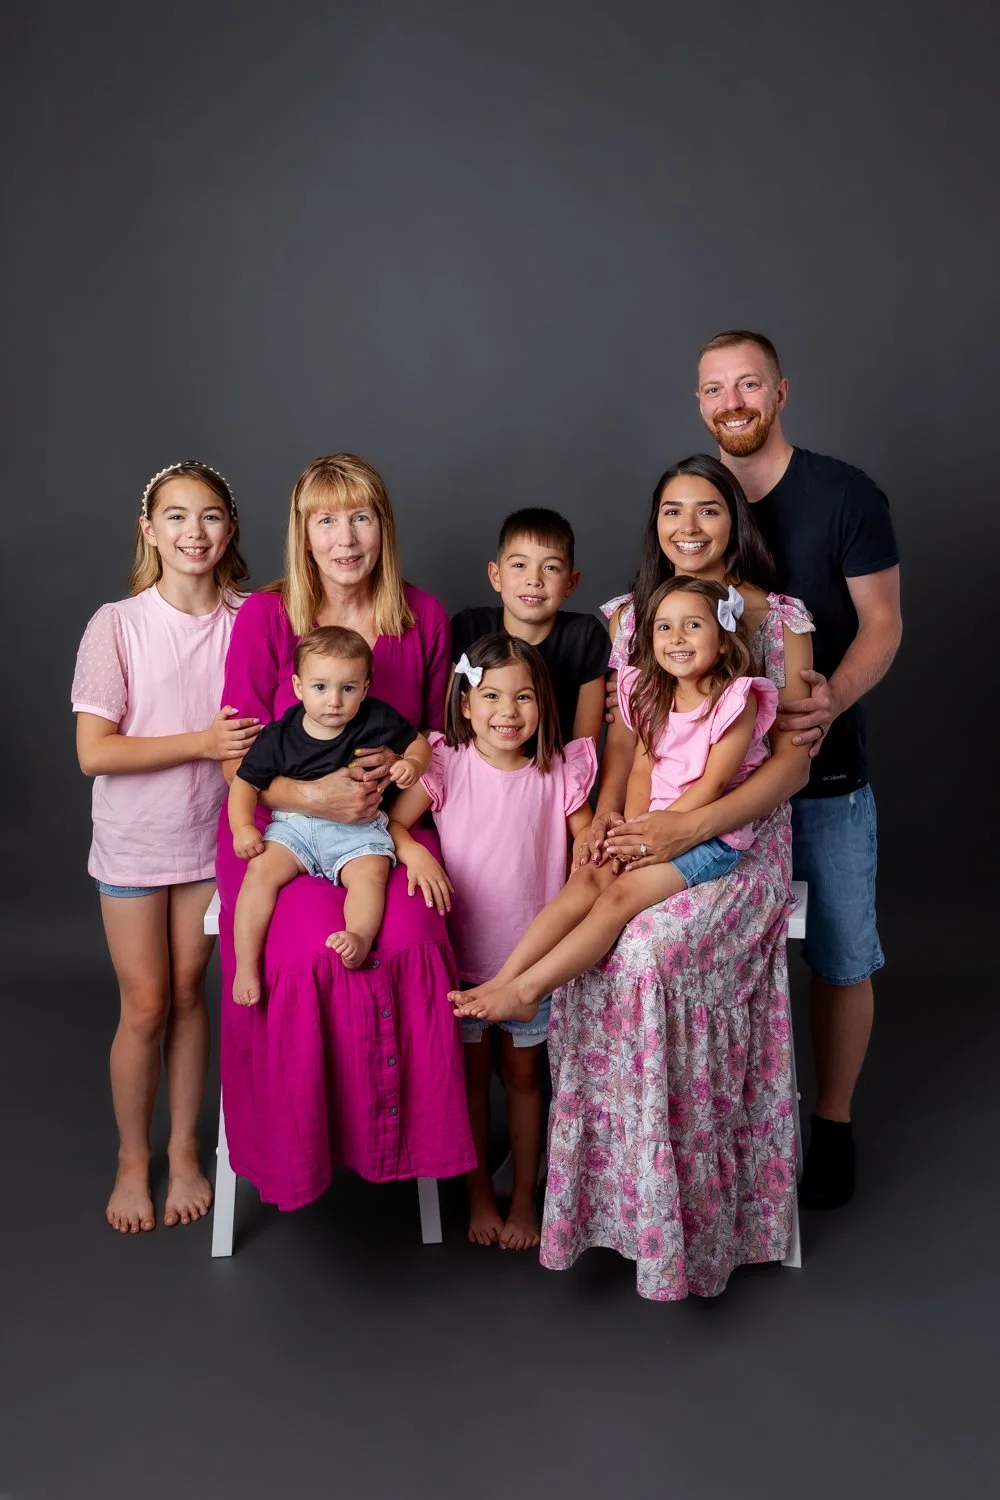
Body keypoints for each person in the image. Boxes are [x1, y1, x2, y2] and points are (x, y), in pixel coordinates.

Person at [543, 453, 814, 1300]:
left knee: (648, 952)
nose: (688, 528)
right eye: (671, 511)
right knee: (600, 942)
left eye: (707, 510)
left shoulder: (780, 619)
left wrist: (692, 825)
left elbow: (796, 765)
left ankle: (692, 1216)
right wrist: (623, 831)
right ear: (654, 522)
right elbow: (626, 745)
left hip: (740, 846)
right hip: (646, 824)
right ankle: (611, 1205)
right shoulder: (629, 618)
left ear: (735, 519)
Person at [215, 454, 475, 1211]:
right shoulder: (266, 617)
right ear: (303, 532)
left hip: (385, 832)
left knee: (415, 944)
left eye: (359, 516)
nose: (344, 537)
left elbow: (436, 737)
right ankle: (305, 1153)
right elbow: (242, 757)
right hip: (278, 830)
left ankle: (408, 1148)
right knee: (299, 964)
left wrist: (402, 830)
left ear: (382, 526)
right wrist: (315, 797)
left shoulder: (421, 616)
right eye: (326, 519)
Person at [695, 330, 902, 1208]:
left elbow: (883, 622)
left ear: (782, 392)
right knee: (702, 953)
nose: (732, 400)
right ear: (698, 403)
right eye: (715, 389)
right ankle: (712, 1123)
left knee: (842, 957)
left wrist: (831, 700)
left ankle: (833, 1121)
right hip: (713, 790)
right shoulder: (692, 500)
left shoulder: (844, 494)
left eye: (749, 384)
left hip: (822, 777)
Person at [453, 578, 778, 1021]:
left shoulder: (737, 700)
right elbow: (641, 769)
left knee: (616, 898)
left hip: (706, 836)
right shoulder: (649, 692)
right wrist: (629, 828)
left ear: (722, 642)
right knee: (583, 882)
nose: (676, 638)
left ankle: (528, 992)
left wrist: (649, 839)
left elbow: (712, 786)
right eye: (663, 628)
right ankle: (504, 978)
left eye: (692, 625)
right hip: (647, 824)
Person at [72, 461, 257, 1235]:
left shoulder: (249, 619)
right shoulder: (117, 623)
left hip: (211, 837)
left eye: (211, 516)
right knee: (144, 1004)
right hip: (135, 842)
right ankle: (130, 1158)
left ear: (229, 531)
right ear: (150, 529)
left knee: (189, 993)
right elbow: (95, 752)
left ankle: (186, 1150)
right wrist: (202, 741)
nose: (195, 532)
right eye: (177, 517)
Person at [388, 634, 597, 1250]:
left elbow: (585, 848)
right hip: (465, 963)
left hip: (531, 964)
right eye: (493, 696)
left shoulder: (559, 767)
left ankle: (527, 1196)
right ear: (467, 703)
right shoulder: (447, 763)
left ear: (544, 705)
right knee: (473, 1079)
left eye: (525, 697)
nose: (509, 711)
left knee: (527, 1077)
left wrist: (593, 850)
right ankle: (481, 1195)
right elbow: (394, 823)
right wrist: (414, 857)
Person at [229, 625, 432, 1002]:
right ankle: (245, 965)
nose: (334, 701)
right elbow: (244, 783)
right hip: (296, 827)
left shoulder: (375, 718)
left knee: (371, 873)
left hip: (359, 827)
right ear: (298, 686)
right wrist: (242, 828)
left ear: (366, 689)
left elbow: (418, 742)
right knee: (259, 873)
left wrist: (414, 764)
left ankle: (359, 934)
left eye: (348, 688)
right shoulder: (280, 734)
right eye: (320, 687)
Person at [451, 507, 609, 744]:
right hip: (476, 773)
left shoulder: (585, 636)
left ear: (571, 582)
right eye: (519, 565)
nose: (534, 580)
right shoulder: (471, 627)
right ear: (495, 575)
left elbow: (584, 745)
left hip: (557, 774)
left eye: (551, 568)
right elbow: (452, 724)